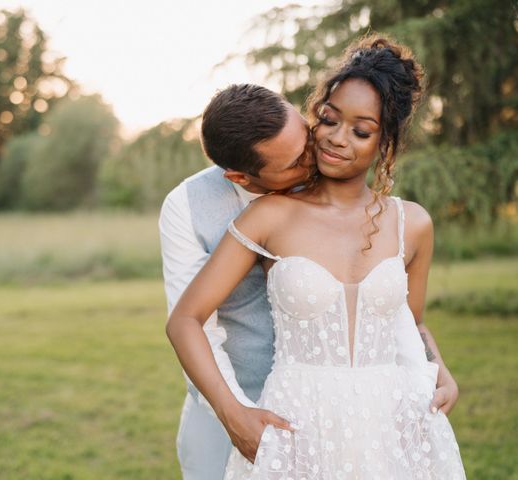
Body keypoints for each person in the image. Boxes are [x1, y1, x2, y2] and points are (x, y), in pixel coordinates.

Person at [165, 35, 466, 479]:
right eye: (328, 120)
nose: (334, 140)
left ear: (386, 142)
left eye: (361, 131)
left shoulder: (413, 223)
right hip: (300, 421)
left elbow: (409, 322)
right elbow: (185, 319)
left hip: (393, 423)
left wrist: (439, 368)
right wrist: (235, 415)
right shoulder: (268, 215)